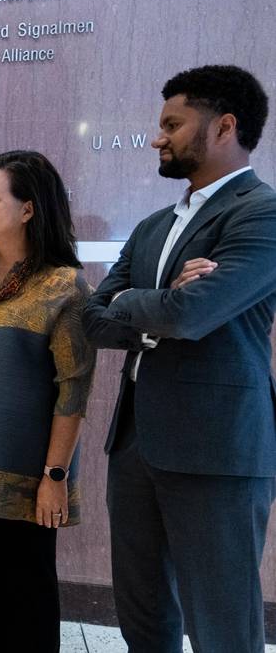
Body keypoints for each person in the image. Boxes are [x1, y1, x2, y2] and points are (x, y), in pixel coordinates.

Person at [82, 65, 275, 653]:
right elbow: (91, 320)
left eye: (172, 123)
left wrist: (140, 303)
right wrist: (163, 302)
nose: (156, 137)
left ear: (224, 126)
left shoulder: (260, 212)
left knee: (221, 621)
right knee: (142, 612)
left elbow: (194, 314)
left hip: (217, 447)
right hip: (136, 441)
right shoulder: (152, 226)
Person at [0, 150, 95, 651]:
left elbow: (74, 389)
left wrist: (55, 477)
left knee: (28, 607)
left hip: (28, 481)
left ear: (28, 209)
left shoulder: (63, 286)